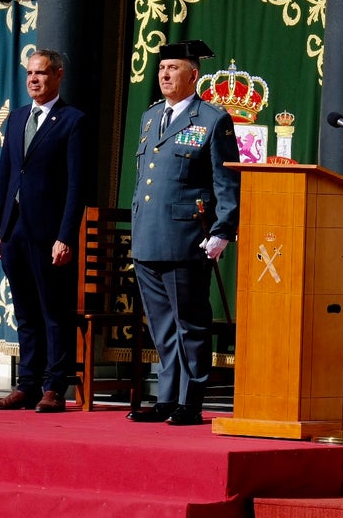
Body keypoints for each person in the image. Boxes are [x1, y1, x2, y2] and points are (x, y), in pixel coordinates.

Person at [127, 40, 240, 427]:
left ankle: (190, 400)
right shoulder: (150, 117)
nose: (164, 75)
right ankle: (166, 398)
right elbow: (144, 178)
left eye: (173, 68)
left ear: (194, 75)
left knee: (190, 323)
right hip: (148, 236)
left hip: (186, 237)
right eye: (161, 69)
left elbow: (226, 182)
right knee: (161, 325)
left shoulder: (211, 119)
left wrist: (223, 231)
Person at [0, 49, 85, 413]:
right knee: (25, 311)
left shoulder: (73, 120)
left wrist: (66, 235)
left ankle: (54, 387)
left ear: (58, 76)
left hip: (49, 234)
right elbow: (4, 176)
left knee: (53, 312)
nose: (33, 80)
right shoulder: (16, 118)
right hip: (14, 232)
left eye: (41, 73)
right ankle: (26, 384)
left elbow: (76, 186)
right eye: (29, 73)